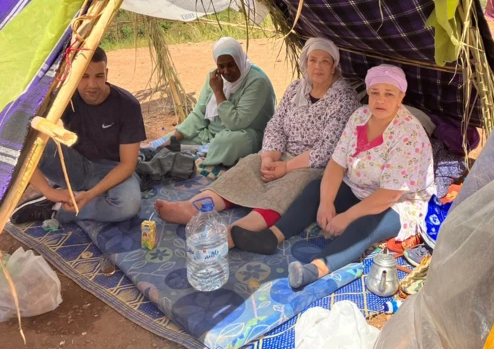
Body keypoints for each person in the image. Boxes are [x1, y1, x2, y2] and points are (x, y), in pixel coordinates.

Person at [231, 65, 435, 289]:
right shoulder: (360, 117)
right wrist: (327, 203)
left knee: (366, 225)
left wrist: (346, 217)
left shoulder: (408, 133)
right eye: (375, 92)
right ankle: (270, 237)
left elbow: (388, 195)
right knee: (314, 190)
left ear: (401, 97)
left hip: (399, 203)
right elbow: (337, 164)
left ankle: (314, 269)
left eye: (389, 94)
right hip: (360, 187)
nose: (380, 100)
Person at [155, 37, 359, 247]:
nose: (318, 66)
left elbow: (328, 149)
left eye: (325, 61)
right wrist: (269, 156)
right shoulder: (296, 88)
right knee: (248, 166)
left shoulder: (343, 98)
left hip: (313, 165)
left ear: (334, 65)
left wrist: (287, 167)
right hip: (283, 154)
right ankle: (193, 207)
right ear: (305, 62)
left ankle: (237, 231)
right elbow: (276, 124)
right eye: (313, 60)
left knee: (291, 186)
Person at [11, 47, 146, 224]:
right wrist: (48, 191)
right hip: (74, 164)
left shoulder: (127, 105)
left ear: (106, 73)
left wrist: (90, 195)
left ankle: (56, 209)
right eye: (84, 76)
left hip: (112, 170)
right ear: (74, 75)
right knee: (29, 141)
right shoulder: (64, 97)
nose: (91, 85)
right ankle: (54, 196)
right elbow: (19, 138)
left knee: (128, 205)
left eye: (98, 76)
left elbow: (128, 165)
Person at [155, 37, 276, 167]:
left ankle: (201, 157)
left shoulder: (257, 81)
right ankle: (201, 152)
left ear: (239, 60)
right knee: (171, 139)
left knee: (230, 142)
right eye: (221, 66)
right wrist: (175, 137)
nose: (226, 71)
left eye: (231, 64)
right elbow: (199, 113)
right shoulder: (214, 77)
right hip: (211, 134)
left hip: (246, 134)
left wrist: (218, 92)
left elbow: (236, 123)